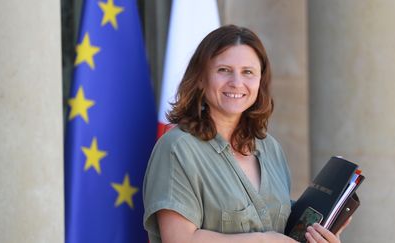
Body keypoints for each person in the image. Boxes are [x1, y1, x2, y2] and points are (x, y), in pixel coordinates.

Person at [143, 24, 349, 243]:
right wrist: (263, 241)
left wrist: (321, 235)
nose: (237, 83)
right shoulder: (177, 149)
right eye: (224, 70)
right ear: (201, 78)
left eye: (248, 72)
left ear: (260, 81)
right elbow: (179, 239)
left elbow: (284, 231)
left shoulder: (270, 148)